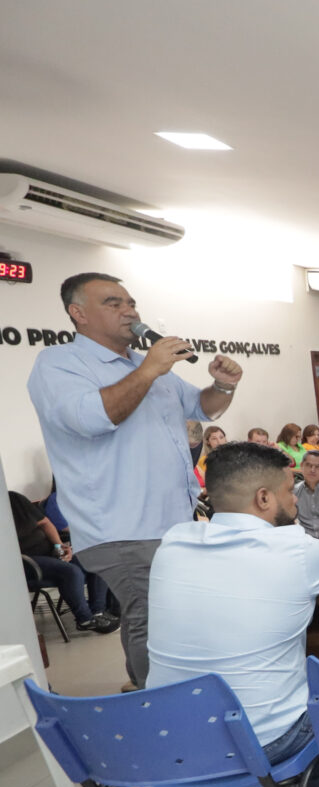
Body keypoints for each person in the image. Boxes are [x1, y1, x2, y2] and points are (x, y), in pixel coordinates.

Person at [28, 272, 243, 689]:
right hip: (122, 526)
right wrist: (149, 369)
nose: (129, 310)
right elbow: (94, 418)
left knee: (169, 616)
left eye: (131, 302)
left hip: (172, 521)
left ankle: (147, 693)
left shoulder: (143, 366)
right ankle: (164, 712)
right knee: (155, 620)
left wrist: (223, 384)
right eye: (113, 303)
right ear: (79, 314)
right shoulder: (59, 364)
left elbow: (201, 406)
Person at [147, 442, 319, 787]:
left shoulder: (172, 541)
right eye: (287, 488)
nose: (294, 496)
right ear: (263, 498)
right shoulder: (299, 551)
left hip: (174, 737)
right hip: (265, 740)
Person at [10, 489, 116, 634]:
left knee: (95, 560)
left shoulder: (14, 498)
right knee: (71, 572)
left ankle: (98, 612)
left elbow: (45, 523)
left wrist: (59, 546)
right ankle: (85, 619)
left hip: (49, 551)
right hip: (24, 562)